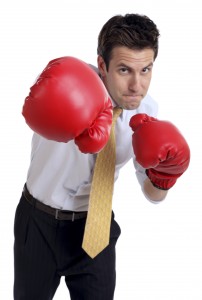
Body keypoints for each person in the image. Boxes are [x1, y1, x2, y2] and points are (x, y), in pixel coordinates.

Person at [14, 13, 190, 299]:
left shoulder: (147, 112)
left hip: (95, 230)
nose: (137, 86)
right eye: (124, 70)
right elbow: (34, 110)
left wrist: (164, 178)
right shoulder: (67, 81)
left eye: (145, 70)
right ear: (102, 65)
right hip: (38, 223)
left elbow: (152, 194)